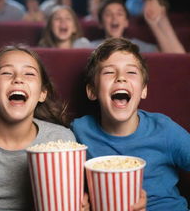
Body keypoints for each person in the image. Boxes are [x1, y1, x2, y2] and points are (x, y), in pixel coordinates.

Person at [0, 45, 90, 211]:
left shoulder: (62, 140)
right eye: (6, 72)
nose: (18, 79)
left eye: (29, 73)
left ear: (42, 93)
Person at [71, 37, 190, 211]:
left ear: (143, 90)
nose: (121, 78)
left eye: (131, 72)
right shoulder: (78, 132)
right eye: (109, 72)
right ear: (92, 91)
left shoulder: (164, 129)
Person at [92, 0, 185, 53]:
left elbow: (178, 57)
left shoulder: (138, 47)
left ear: (126, 22)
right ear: (100, 23)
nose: (114, 18)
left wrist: (156, 23)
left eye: (119, 14)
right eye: (108, 14)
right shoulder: (89, 47)